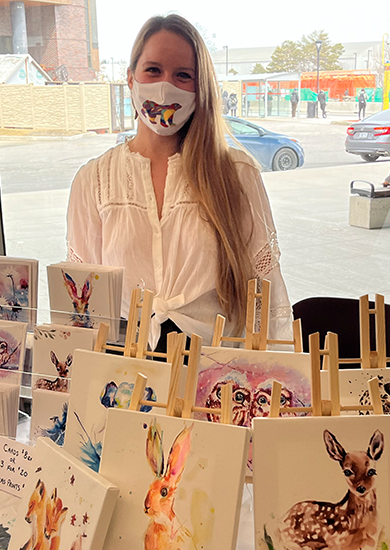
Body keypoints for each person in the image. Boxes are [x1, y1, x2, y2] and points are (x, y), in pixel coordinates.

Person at [66, 14, 293, 352]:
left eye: (183, 75)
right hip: (127, 372)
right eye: (153, 70)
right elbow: (82, 299)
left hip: (215, 374)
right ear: (130, 78)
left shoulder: (236, 174)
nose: (165, 86)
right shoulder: (94, 181)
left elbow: (264, 291)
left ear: (200, 90)